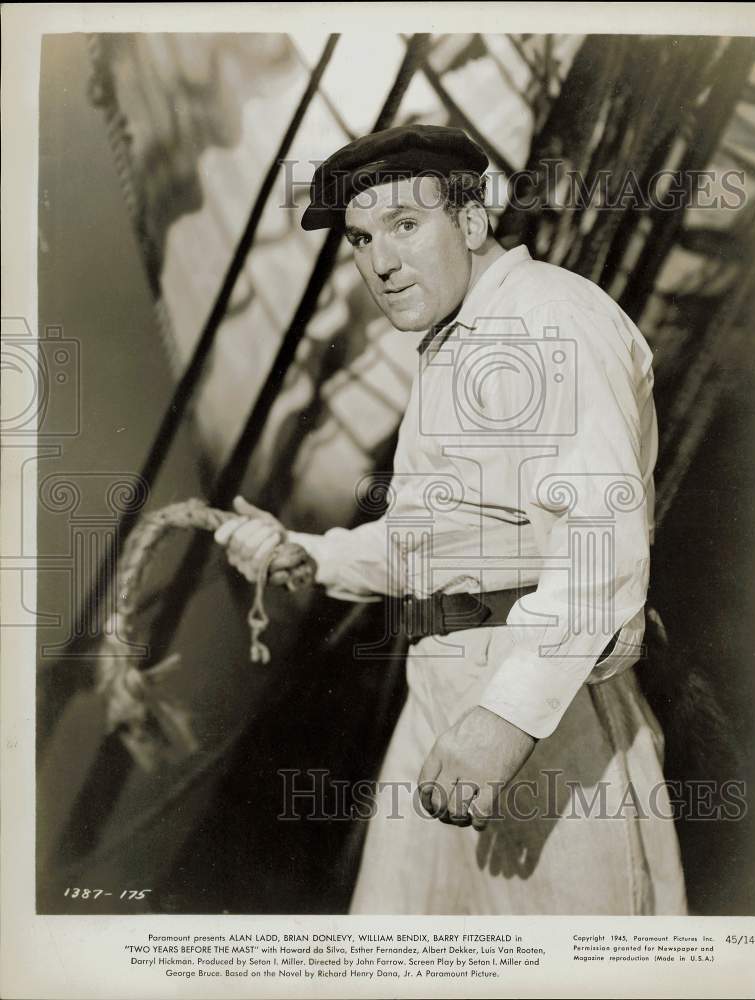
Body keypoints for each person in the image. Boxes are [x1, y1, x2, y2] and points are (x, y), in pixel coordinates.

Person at [214, 124, 687, 915]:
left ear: (470, 222)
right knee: (395, 951)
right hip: (444, 689)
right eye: (362, 238)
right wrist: (306, 554)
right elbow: (433, 542)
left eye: (405, 225)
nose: (380, 262)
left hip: (540, 707)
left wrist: (505, 718)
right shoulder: (455, 341)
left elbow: (600, 539)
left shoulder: (545, 323)